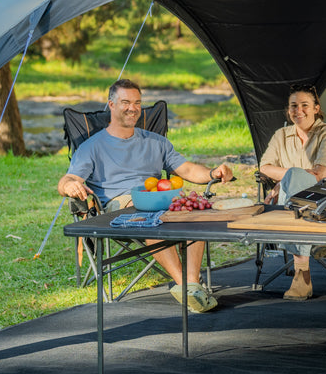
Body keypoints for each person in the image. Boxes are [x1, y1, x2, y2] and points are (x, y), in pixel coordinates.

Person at [58, 79, 234, 313]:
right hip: (121, 207)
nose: (133, 108)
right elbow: (67, 180)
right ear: (111, 105)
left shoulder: (156, 141)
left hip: (161, 199)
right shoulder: (92, 146)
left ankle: (192, 285)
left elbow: (187, 170)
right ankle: (186, 287)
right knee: (151, 217)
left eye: (138, 103)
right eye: (126, 102)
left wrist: (213, 172)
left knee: (194, 214)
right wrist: (70, 186)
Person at [259, 84, 326, 300]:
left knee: (291, 181)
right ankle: (314, 246)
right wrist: (289, 178)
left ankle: (302, 274)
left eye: (305, 105)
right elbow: (264, 167)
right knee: (292, 181)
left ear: (316, 108)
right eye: (293, 106)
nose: (298, 110)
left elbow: (321, 173)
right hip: (293, 202)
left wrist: (284, 179)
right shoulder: (281, 135)